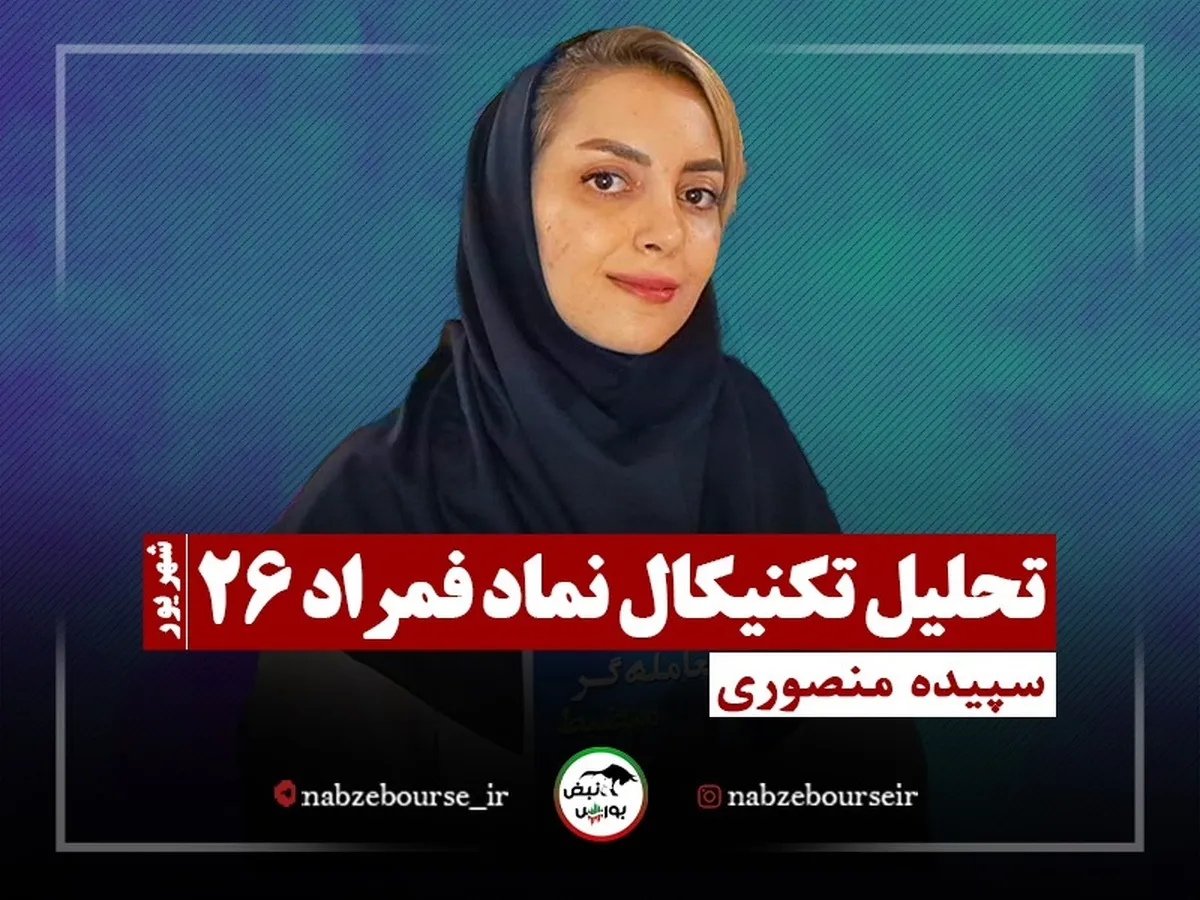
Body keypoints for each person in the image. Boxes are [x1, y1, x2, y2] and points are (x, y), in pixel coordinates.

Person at [237, 26, 928, 858]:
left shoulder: (748, 439)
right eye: (608, 180)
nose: (665, 231)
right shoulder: (372, 510)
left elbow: (871, 799)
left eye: (698, 194)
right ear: (507, 204)